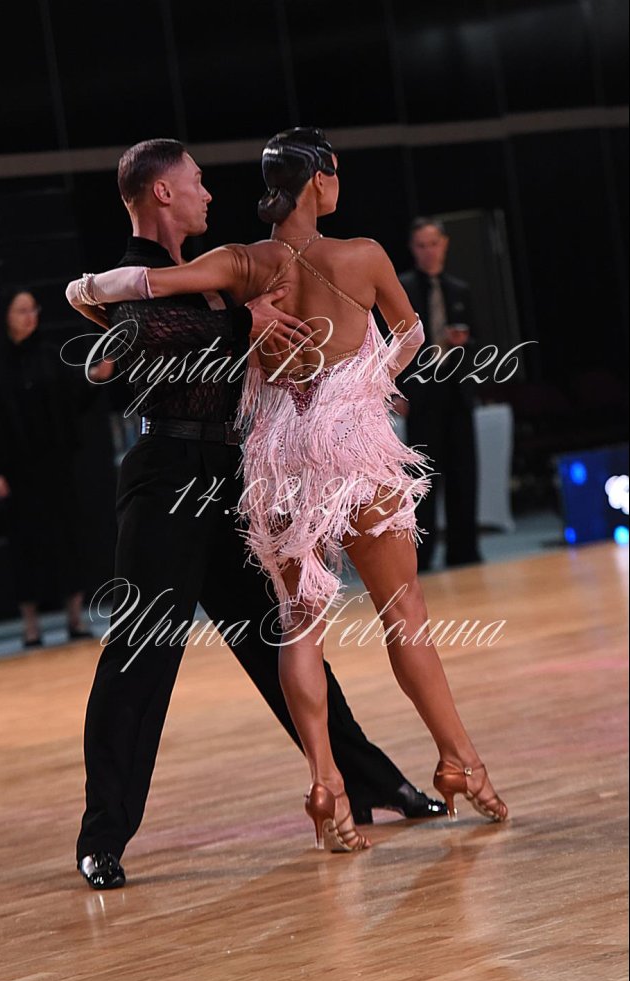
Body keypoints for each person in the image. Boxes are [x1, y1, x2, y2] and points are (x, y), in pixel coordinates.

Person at [69, 128, 508, 855]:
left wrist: (81, 289)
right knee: (400, 613)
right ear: (321, 180)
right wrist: (360, 383)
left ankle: (339, 784)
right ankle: (459, 758)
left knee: (294, 627)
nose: (209, 190)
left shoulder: (236, 263)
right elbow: (408, 334)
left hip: (269, 459)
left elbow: (135, 293)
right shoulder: (352, 255)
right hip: (236, 463)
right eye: (197, 180)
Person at [0, 288, 106, 647]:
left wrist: (99, 374)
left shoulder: (48, 355)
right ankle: (30, 625)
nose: (30, 316)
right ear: (5, 317)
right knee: (26, 546)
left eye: (33, 309)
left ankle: (75, 618)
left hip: (56, 467)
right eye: (21, 310)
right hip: (16, 473)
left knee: (67, 539)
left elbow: (74, 396)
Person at [395, 218, 483, 571]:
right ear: (412, 248)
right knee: (423, 479)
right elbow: (390, 343)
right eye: (421, 245)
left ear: (444, 244)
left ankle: (464, 550)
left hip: (457, 392)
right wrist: (395, 392)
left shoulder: (460, 289)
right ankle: (422, 556)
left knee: (464, 473)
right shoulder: (402, 288)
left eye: (433, 243)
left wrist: (466, 343)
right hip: (421, 396)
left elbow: (480, 341)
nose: (429, 251)